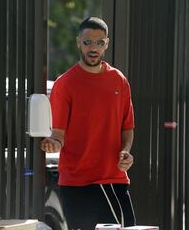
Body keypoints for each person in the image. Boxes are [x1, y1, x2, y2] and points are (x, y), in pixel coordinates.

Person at [41, 17, 136, 230]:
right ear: (78, 42)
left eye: (99, 42)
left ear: (107, 44)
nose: (93, 48)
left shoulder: (119, 80)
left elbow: (127, 128)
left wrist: (126, 152)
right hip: (74, 183)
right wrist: (54, 143)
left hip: (111, 179)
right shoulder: (65, 84)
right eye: (87, 42)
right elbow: (58, 134)